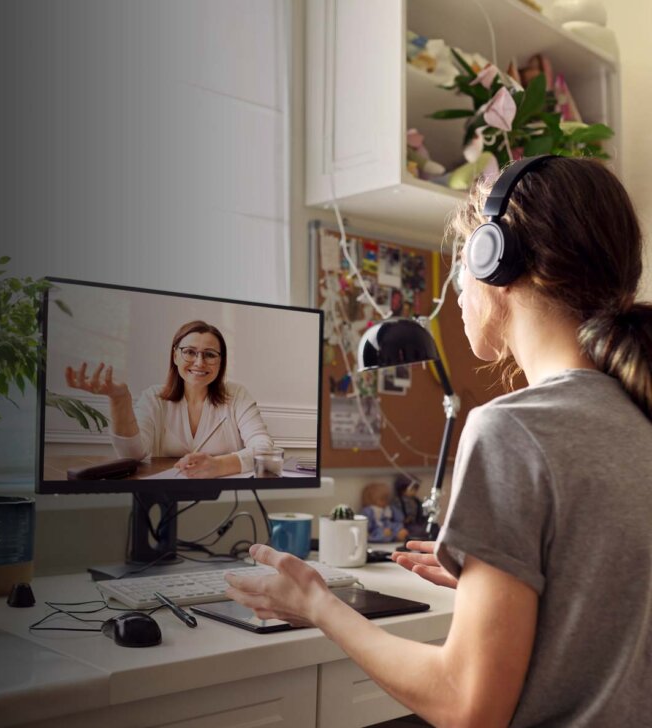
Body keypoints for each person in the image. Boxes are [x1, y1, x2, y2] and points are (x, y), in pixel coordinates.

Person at [224, 156, 652, 725]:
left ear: (493, 262)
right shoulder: (635, 412)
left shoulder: (513, 429)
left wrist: (316, 604)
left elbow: (465, 704)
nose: (457, 291)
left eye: (459, 267)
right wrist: (511, 582)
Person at [65, 320, 273, 478]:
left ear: (221, 362)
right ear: (175, 356)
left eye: (210, 355)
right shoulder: (153, 398)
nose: (199, 362)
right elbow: (132, 454)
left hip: (226, 500)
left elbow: (264, 448)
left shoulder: (237, 395)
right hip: (163, 499)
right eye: (190, 352)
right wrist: (120, 400)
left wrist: (219, 466)